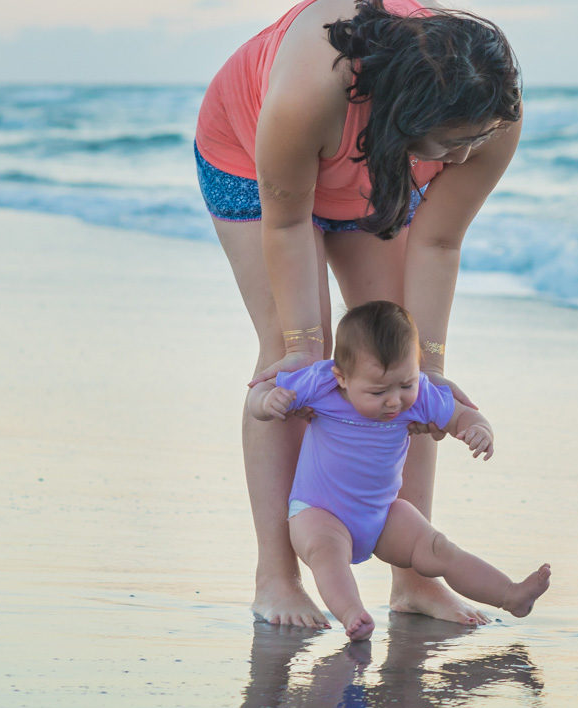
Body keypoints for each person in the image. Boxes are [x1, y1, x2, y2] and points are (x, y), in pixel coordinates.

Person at [194, 0, 523, 628]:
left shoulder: (492, 115)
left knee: (403, 374)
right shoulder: (310, 91)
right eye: (452, 145)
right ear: (405, 113)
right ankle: (278, 577)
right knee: (296, 367)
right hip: (250, 158)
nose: (462, 159)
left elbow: (438, 242)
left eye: (473, 142)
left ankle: (415, 579)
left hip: (379, 165)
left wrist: (429, 367)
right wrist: (301, 342)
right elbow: (288, 221)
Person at [246, 301, 551, 641]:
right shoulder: (321, 385)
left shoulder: (418, 394)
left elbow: (462, 414)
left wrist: (479, 428)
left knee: (438, 548)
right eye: (378, 391)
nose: (394, 401)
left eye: (405, 385)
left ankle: (511, 595)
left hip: (382, 515)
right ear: (342, 377)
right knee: (327, 554)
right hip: (318, 512)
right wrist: (266, 402)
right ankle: (352, 615)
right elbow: (259, 391)